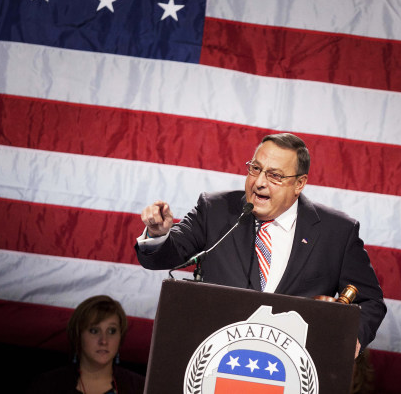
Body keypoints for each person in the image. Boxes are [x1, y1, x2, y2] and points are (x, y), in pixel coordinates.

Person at [136, 133, 386, 353]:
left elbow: (370, 301)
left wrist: (351, 339)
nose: (259, 182)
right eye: (255, 169)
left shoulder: (337, 232)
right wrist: (158, 233)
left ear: (299, 184)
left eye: (275, 176)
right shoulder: (216, 211)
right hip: (216, 359)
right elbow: (164, 256)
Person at [26, 295, 144, 394]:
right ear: (78, 335)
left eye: (112, 331)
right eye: (94, 331)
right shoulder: (47, 385)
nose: (104, 341)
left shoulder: (142, 387)